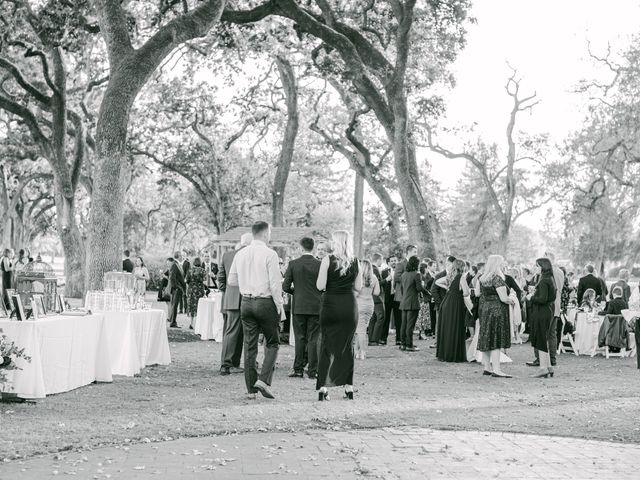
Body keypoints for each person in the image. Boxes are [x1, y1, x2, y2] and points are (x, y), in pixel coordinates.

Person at [229, 221, 283, 400]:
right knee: (273, 342)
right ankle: (263, 380)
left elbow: (231, 281)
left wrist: (247, 281)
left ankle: (251, 390)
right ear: (266, 234)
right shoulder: (270, 254)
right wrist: (279, 306)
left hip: (246, 302)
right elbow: (275, 285)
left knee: (249, 346)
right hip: (264, 302)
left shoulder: (241, 253)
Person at [316, 230, 362, 401]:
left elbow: (320, 286)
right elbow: (358, 287)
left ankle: (322, 388)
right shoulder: (355, 261)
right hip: (349, 307)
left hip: (330, 306)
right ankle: (349, 387)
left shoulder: (327, 259)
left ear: (335, 242)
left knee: (327, 346)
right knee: (347, 346)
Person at [283, 237, 322, 378]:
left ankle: (298, 369)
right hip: (316, 306)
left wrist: (297, 292)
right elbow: (324, 286)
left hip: (299, 306)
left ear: (301, 248)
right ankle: (313, 371)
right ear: (314, 248)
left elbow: (285, 286)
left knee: (300, 338)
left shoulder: (293, 264)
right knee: (313, 339)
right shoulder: (320, 264)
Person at [218, 233, 252, 376]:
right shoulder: (250, 255)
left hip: (230, 299)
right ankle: (227, 364)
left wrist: (228, 293)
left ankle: (232, 363)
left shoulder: (226, 255)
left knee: (231, 332)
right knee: (240, 333)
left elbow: (221, 278)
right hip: (246, 297)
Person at [477, 254, 514, 378]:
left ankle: (487, 368)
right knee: (496, 339)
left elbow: (479, 294)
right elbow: (503, 298)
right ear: (497, 264)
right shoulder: (497, 278)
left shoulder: (482, 278)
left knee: (487, 337)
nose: (504, 264)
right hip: (497, 311)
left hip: (486, 310)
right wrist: (512, 300)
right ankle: (497, 369)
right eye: (502, 262)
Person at [527, 252, 564, 368]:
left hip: (544, 307)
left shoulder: (546, 277)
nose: (535, 268)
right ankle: (551, 360)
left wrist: (532, 297)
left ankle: (541, 361)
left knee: (542, 335)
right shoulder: (557, 273)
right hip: (553, 305)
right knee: (552, 333)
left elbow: (543, 296)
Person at [436, 259, 472, 362]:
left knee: (447, 328)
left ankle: (444, 354)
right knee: (455, 327)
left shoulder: (450, 276)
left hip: (446, 302)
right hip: (456, 303)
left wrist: (448, 288)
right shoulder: (461, 277)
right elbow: (465, 293)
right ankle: (453, 355)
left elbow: (437, 281)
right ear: (462, 267)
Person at [354, 259, 379, 359]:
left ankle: (362, 352)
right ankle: (356, 351)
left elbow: (355, 293)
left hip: (359, 305)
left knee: (360, 331)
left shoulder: (358, 278)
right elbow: (377, 292)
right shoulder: (374, 278)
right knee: (361, 329)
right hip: (369, 305)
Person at [398, 256, 424, 351]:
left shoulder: (404, 274)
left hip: (404, 301)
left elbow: (401, 289)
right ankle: (409, 345)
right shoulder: (417, 274)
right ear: (417, 264)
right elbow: (419, 288)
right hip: (413, 302)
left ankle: (403, 344)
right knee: (410, 325)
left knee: (404, 324)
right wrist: (424, 287)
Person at [393, 245, 418, 345]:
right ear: (408, 252)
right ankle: (401, 340)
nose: (416, 254)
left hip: (410, 294)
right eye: (415, 251)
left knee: (408, 321)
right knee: (402, 321)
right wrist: (409, 279)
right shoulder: (401, 264)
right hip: (402, 295)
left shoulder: (415, 263)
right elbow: (397, 277)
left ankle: (405, 341)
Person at [430, 255, 456, 348]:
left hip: (453, 304)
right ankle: (438, 342)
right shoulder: (440, 275)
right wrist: (440, 303)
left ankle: (449, 342)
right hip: (441, 304)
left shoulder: (456, 275)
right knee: (440, 324)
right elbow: (433, 290)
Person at [375, 255, 397, 346]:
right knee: (386, 318)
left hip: (397, 297)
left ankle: (399, 339)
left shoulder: (400, 271)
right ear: (388, 263)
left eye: (395, 260)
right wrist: (386, 280)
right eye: (392, 261)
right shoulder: (383, 272)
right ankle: (383, 339)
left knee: (398, 318)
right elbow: (379, 284)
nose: (394, 262)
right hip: (387, 298)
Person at [366, 253, 386, 346]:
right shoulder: (375, 270)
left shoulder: (370, 269)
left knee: (373, 318)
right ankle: (375, 339)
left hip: (371, 297)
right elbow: (377, 283)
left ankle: (371, 339)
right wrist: (387, 280)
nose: (382, 262)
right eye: (381, 260)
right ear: (378, 259)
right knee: (380, 317)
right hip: (376, 297)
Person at [186, 257, 206, 329]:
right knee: (199, 306)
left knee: (191, 306)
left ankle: (191, 323)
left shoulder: (190, 270)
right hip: (199, 290)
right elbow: (205, 281)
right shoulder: (203, 271)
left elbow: (187, 280)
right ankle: (198, 324)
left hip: (191, 290)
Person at [166, 256, 186, 328]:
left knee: (174, 305)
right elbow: (172, 278)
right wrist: (176, 287)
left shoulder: (176, 264)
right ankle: (173, 322)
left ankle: (172, 321)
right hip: (176, 289)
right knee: (174, 305)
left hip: (177, 288)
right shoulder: (174, 265)